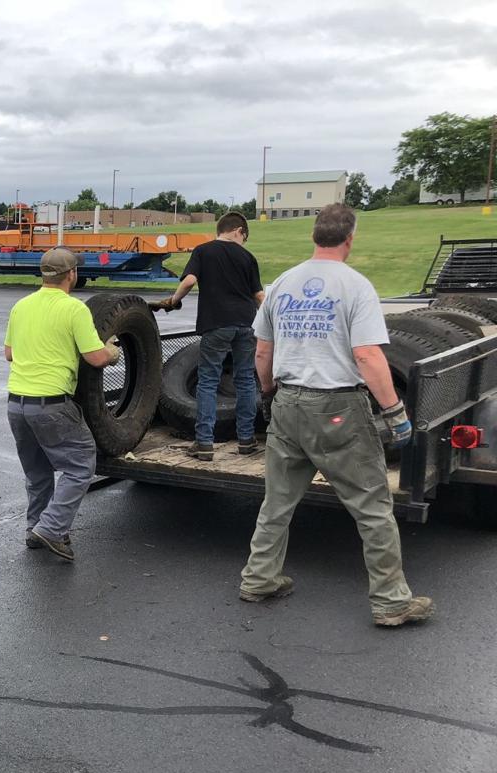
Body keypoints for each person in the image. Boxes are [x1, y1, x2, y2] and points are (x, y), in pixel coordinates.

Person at [239, 203, 433, 627]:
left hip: (288, 403)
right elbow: (367, 355)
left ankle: (259, 578)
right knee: (371, 506)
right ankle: (391, 602)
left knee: (277, 501)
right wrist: (396, 414)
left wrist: (271, 393)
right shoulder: (356, 286)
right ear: (350, 238)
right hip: (338, 408)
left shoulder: (282, 284)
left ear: (314, 236)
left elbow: (262, 351)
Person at [4, 247, 119, 562]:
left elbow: (10, 354)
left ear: (43, 274)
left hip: (16, 404)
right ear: (71, 274)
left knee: (38, 471)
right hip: (52, 404)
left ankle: (34, 529)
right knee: (81, 465)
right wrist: (112, 351)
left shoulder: (21, 306)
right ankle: (51, 529)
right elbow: (94, 357)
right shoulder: (74, 309)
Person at [162, 212, 265, 460]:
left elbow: (188, 281)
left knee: (208, 382)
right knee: (246, 381)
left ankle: (204, 442)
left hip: (216, 323)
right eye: (245, 237)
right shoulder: (247, 257)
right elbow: (260, 297)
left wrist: (174, 301)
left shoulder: (203, 251)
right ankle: (246, 440)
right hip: (246, 324)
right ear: (239, 231)